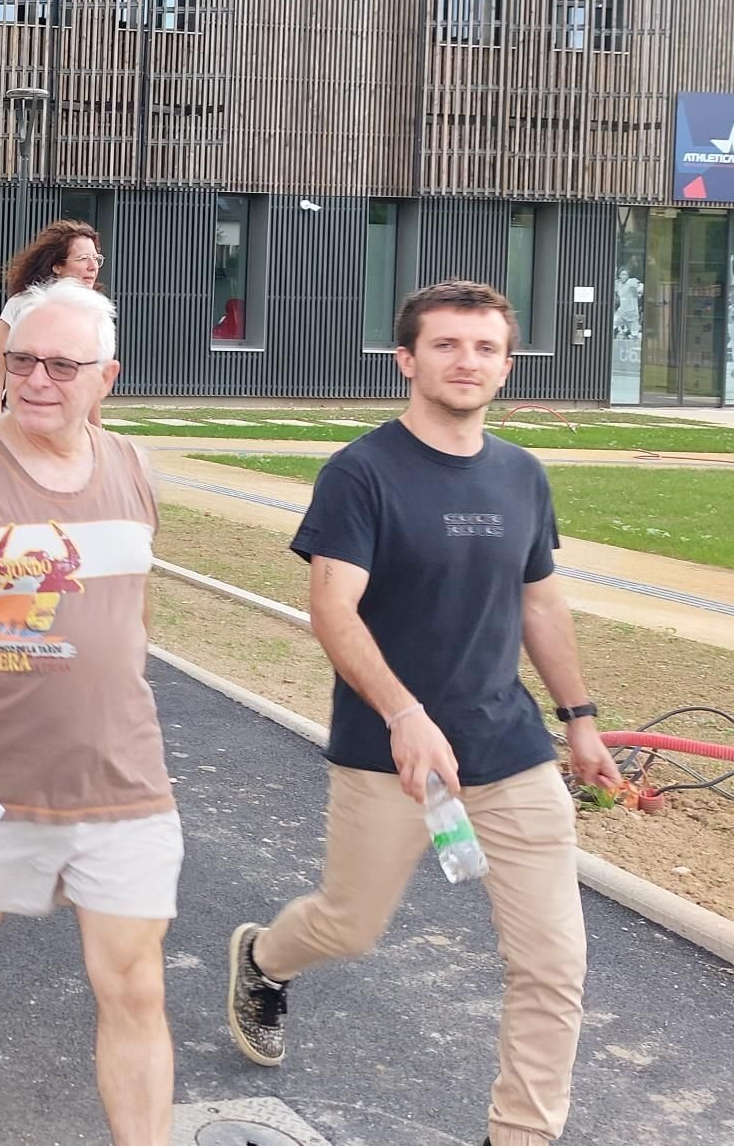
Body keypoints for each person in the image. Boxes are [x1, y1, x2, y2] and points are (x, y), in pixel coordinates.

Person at [224, 278, 619, 1146]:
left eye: (484, 348)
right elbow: (335, 610)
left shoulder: (523, 474)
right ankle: (264, 960)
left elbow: (541, 604)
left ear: (507, 366)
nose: (466, 361)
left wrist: (579, 716)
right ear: (407, 359)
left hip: (510, 749)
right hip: (388, 754)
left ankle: (520, 1134)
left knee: (554, 966)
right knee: (350, 924)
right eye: (446, 345)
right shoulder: (361, 473)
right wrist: (404, 712)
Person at [0, 278, 175, 1144]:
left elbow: (133, 609)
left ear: (106, 378)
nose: (37, 380)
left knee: (134, 981)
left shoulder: (133, 468)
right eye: (21, 360)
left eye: (61, 364)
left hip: (123, 777)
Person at [0, 219, 105, 437]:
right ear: (57, 265)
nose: (93, 266)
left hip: (68, 432)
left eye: (96, 258)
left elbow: (92, 380)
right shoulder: (20, 305)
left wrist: (98, 436)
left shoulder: (94, 314)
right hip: (20, 425)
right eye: (83, 259)